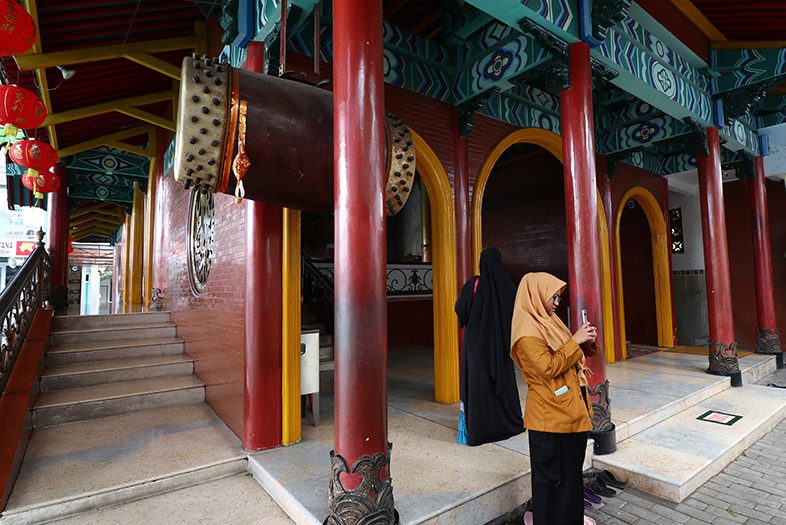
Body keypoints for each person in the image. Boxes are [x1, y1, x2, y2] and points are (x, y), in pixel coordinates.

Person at [509, 272, 597, 525]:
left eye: (559, 297)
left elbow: (569, 353)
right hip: (549, 416)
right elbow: (547, 367)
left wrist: (586, 341)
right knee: (551, 480)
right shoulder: (526, 330)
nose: (557, 302)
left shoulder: (550, 321)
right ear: (535, 294)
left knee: (570, 476)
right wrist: (575, 341)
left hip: (569, 410)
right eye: (553, 296)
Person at [454, 247, 524, 446]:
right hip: (499, 349)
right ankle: (505, 424)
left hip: (475, 349)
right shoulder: (508, 287)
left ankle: (479, 430)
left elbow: (461, 310)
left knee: (478, 389)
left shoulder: (473, 284)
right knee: (500, 387)